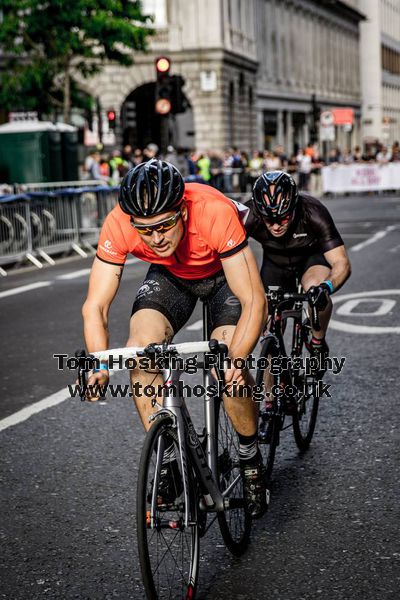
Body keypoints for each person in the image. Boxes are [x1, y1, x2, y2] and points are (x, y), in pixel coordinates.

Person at [82, 159, 268, 518]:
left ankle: (249, 456)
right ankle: (170, 454)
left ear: (182, 211)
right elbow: (96, 307)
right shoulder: (119, 223)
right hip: (172, 277)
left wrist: (237, 359)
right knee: (140, 353)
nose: (156, 238)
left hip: (223, 275)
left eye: (165, 225)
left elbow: (254, 300)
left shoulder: (212, 211)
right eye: (145, 230)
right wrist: (99, 364)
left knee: (225, 367)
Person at [245, 170, 351, 371]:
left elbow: (341, 263)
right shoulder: (249, 214)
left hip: (310, 259)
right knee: (267, 332)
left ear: (294, 207)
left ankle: (318, 342)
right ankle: (271, 398)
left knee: (314, 288)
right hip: (274, 264)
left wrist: (326, 287)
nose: (276, 226)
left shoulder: (314, 212)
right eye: (269, 219)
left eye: (283, 219)